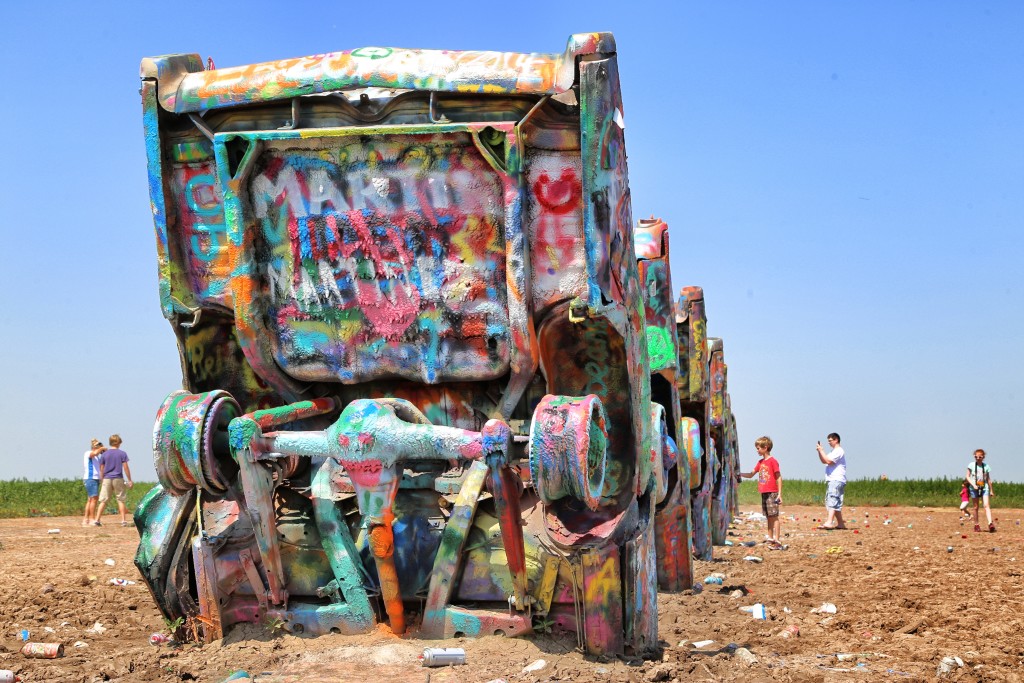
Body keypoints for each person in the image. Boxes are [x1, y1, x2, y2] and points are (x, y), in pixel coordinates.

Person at [738, 436, 783, 549]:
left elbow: (778, 477)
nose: (757, 450)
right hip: (764, 492)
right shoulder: (760, 462)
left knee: (774, 516)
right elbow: (751, 474)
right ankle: (770, 537)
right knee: (768, 516)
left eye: (758, 448)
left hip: (772, 492)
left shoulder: (773, 461)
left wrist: (779, 494)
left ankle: (777, 540)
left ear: (765, 447)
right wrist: (739, 474)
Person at [94, 434, 133, 527]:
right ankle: (123, 520)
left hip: (107, 478)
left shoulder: (104, 454)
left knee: (103, 500)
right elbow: (126, 467)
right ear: (118, 442)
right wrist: (130, 480)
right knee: (120, 499)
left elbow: (101, 468)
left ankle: (97, 520)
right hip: (118, 478)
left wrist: (102, 479)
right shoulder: (122, 453)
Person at [815, 432, 846, 530]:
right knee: (835, 501)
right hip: (833, 480)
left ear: (836, 440)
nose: (829, 442)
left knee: (832, 500)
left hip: (836, 479)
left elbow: (828, 461)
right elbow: (824, 460)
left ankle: (829, 522)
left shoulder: (839, 451)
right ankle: (841, 523)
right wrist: (820, 451)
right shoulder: (833, 452)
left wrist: (821, 451)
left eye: (830, 440)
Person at [966, 448, 995, 533]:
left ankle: (990, 523)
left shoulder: (986, 466)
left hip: (984, 487)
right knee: (975, 507)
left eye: (980, 457)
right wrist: (973, 485)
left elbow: (988, 479)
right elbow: (967, 476)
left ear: (983, 457)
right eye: (976, 457)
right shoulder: (971, 465)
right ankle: (976, 525)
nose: (978, 458)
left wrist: (991, 490)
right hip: (974, 488)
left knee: (986, 505)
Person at [82, 438, 106, 527]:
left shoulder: (97, 457)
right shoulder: (88, 453)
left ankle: (86, 519)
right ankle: (92, 519)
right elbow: (94, 453)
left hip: (95, 478)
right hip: (90, 478)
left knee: (90, 499)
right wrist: (101, 448)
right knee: (94, 499)